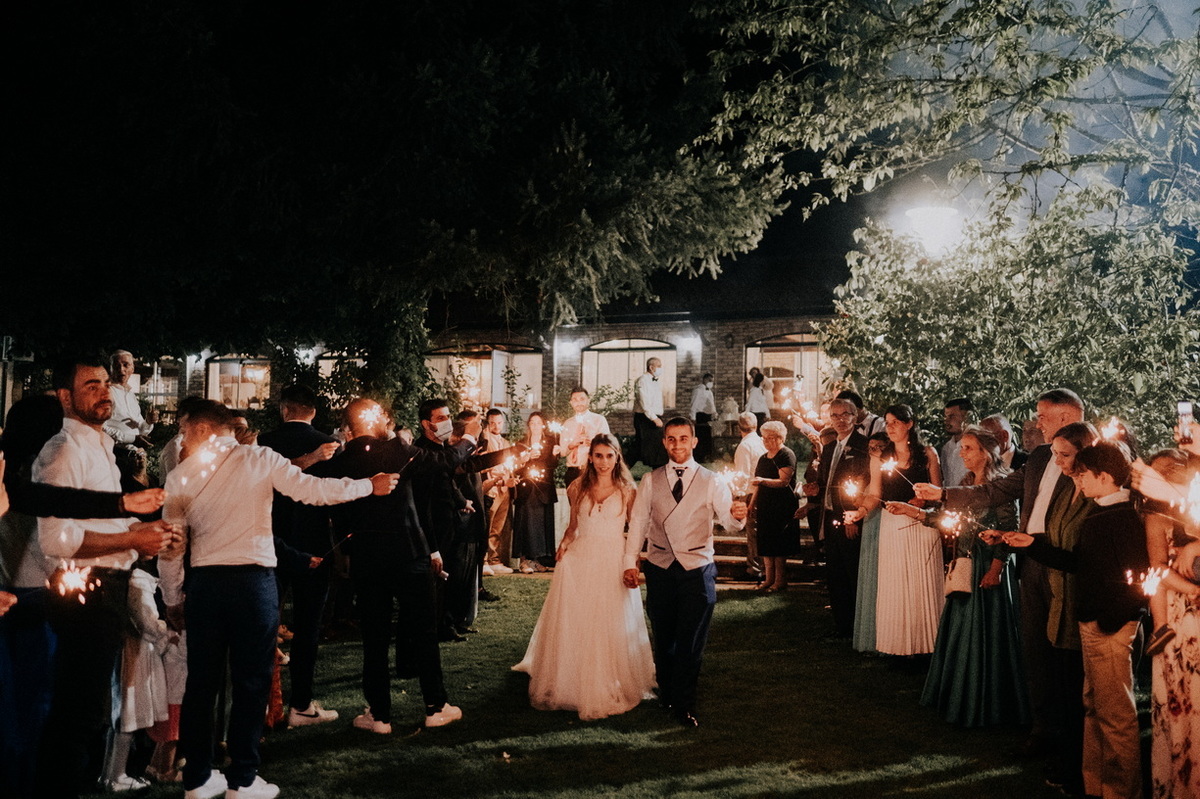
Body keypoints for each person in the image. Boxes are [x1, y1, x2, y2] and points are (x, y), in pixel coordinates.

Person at [159, 399, 399, 799]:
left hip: (205, 585)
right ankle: (242, 779)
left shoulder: (181, 475)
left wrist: (171, 597)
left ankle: (199, 778)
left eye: (184, 430)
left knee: (201, 684)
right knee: (251, 681)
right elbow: (313, 491)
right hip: (252, 583)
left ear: (203, 429)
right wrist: (367, 486)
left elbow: (171, 546)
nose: (181, 439)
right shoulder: (258, 459)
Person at [0, 395, 165, 799]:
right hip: (37, 603)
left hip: (34, 599)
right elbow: (58, 528)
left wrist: (123, 508)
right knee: (43, 712)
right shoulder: (42, 469)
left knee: (44, 713)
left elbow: (66, 504)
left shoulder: (26, 476)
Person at [32, 356, 181, 799]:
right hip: (84, 591)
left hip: (107, 588)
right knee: (78, 713)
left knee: (89, 712)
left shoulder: (99, 446)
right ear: (65, 397)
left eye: (104, 384)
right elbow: (56, 539)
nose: (104, 392)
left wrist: (143, 533)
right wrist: (132, 540)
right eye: (91, 385)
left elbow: (104, 521)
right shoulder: (63, 451)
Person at [913, 387, 1085, 758]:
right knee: (1035, 649)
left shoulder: (1087, 459)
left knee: (1066, 654)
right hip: (1030, 561)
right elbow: (996, 492)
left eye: (1043, 415)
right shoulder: (1040, 457)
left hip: (1065, 563)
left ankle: (1074, 737)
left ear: (1066, 417)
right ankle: (1042, 728)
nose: (1037, 423)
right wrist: (943, 494)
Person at [314, 397, 482, 735]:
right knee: (424, 632)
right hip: (410, 555)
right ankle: (436, 707)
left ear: (348, 428)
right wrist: (468, 439)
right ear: (375, 420)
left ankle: (379, 716)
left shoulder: (342, 461)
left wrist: (345, 551)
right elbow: (444, 461)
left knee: (374, 639)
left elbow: (336, 512)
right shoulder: (397, 450)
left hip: (368, 559)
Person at [1003, 442, 1149, 799]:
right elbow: (1081, 563)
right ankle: (1094, 784)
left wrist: (1110, 621)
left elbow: (1136, 579)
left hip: (1109, 626)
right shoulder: (1099, 513)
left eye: (1083, 475)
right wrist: (1031, 545)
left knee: (1116, 716)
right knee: (1093, 708)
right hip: (1092, 622)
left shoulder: (1123, 517)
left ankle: (1121, 791)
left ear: (1105, 476)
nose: (1077, 481)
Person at [514, 434, 655, 720]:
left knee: (609, 618)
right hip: (582, 558)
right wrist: (565, 544)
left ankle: (611, 676)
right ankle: (573, 677)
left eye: (609, 456)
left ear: (617, 457)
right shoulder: (577, 487)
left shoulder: (628, 490)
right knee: (581, 618)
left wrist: (633, 563)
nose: (603, 462)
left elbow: (636, 530)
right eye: (598, 455)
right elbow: (574, 526)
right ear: (590, 457)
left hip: (612, 559)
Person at [623, 417, 747, 727]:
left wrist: (737, 516)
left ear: (694, 441)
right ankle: (667, 692)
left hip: (697, 569)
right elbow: (638, 522)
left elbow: (728, 521)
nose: (677, 444)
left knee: (691, 641)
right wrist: (629, 561)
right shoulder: (650, 480)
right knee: (664, 636)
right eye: (671, 439)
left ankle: (684, 703)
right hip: (660, 567)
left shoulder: (712, 480)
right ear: (664, 443)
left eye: (683, 438)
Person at [915, 426, 1027, 727]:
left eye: (968, 448)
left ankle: (989, 701)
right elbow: (948, 519)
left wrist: (995, 569)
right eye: (961, 447)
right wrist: (913, 513)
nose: (961, 453)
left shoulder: (1001, 486)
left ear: (986, 453)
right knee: (961, 631)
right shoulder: (966, 483)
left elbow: (1009, 529)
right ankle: (960, 695)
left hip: (988, 565)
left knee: (988, 634)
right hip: (965, 564)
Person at [256, 384, 343, 729]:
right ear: (313, 411)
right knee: (308, 628)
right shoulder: (328, 445)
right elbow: (337, 495)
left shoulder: (263, 444)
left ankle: (263, 706)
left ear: (284, 409)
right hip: (315, 544)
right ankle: (301, 703)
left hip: (270, 541)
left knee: (264, 626)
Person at [844, 404, 943, 657]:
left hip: (921, 525)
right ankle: (897, 647)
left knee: (920, 584)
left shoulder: (928, 454)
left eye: (895, 422)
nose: (890, 428)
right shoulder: (880, 457)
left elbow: (939, 493)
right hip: (892, 525)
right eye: (887, 423)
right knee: (895, 585)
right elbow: (875, 494)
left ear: (909, 424)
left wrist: (924, 500)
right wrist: (860, 512)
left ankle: (927, 646)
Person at [1139, 445, 1200, 798]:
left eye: (1174, 467)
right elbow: (1157, 567)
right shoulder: (1157, 516)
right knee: (1184, 699)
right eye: (1159, 471)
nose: (1167, 474)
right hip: (1181, 614)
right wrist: (1191, 591)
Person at [817, 398, 871, 639]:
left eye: (845, 414)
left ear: (855, 416)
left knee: (852, 571)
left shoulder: (862, 446)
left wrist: (854, 519)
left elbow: (864, 482)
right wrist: (814, 490)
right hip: (829, 516)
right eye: (835, 415)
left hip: (850, 516)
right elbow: (826, 481)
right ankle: (841, 624)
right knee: (835, 571)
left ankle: (856, 625)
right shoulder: (830, 447)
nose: (840, 420)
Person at [852, 432, 889, 653]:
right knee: (870, 571)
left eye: (879, 446)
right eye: (871, 447)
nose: (874, 450)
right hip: (869, 521)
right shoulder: (867, 472)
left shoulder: (891, 471)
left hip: (885, 520)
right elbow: (860, 498)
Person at [751, 421, 798, 593]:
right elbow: (757, 484)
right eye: (764, 438)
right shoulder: (763, 458)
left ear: (780, 438)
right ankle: (768, 579)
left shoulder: (786, 455)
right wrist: (752, 504)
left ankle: (779, 580)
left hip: (781, 504)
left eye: (770, 438)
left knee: (779, 545)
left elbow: (784, 481)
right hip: (765, 504)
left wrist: (763, 481)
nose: (766, 441)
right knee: (766, 543)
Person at [512, 412, 558, 574]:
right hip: (527, 488)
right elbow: (515, 466)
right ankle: (524, 560)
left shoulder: (551, 442)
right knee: (526, 523)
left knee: (541, 525)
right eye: (532, 422)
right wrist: (526, 458)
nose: (535, 426)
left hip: (543, 488)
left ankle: (538, 560)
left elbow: (553, 466)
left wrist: (554, 455)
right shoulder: (522, 443)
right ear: (529, 425)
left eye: (538, 423)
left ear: (543, 425)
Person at [733, 412, 767, 580]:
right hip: (764, 491)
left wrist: (737, 496)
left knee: (753, 532)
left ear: (739, 428)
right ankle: (762, 567)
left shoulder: (745, 446)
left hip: (751, 493)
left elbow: (743, 474)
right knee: (759, 531)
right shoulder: (762, 442)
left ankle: (755, 569)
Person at [481, 409, 514, 574]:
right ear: (488, 423)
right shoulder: (484, 441)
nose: (496, 426)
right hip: (491, 487)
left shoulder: (506, 443)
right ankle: (484, 560)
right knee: (487, 524)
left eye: (499, 423)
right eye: (493, 423)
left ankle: (494, 559)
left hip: (504, 487)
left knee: (498, 526)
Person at [103, 349, 157, 449]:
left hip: (134, 453)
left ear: (132, 369)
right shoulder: (105, 393)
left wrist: (148, 422)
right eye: (116, 366)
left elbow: (142, 429)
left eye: (126, 365)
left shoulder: (131, 395)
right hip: (113, 452)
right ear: (111, 369)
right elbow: (100, 428)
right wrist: (132, 439)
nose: (121, 369)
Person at [558, 387, 610, 490]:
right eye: (575, 400)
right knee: (574, 500)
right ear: (571, 403)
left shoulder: (599, 420)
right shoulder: (567, 424)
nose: (579, 403)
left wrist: (594, 444)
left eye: (582, 399)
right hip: (572, 472)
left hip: (592, 470)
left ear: (588, 400)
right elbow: (562, 452)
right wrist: (572, 445)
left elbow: (608, 446)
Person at [633, 357, 667, 468]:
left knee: (655, 447)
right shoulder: (643, 380)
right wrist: (654, 418)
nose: (661, 369)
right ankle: (621, 468)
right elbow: (644, 402)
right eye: (659, 366)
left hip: (653, 416)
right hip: (645, 417)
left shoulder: (655, 381)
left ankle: (657, 470)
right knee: (642, 446)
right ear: (651, 367)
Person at [940, 398, 973, 489]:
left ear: (966, 417)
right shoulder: (946, 448)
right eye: (946, 417)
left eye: (952, 416)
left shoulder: (977, 446)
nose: (947, 421)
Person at [689, 373, 717, 463]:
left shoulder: (709, 391)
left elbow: (711, 404)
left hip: (707, 416)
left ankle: (706, 456)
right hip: (700, 415)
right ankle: (698, 457)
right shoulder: (698, 390)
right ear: (704, 380)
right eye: (709, 380)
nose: (711, 383)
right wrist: (693, 417)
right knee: (700, 437)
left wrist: (714, 414)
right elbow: (694, 404)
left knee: (707, 437)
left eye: (712, 381)